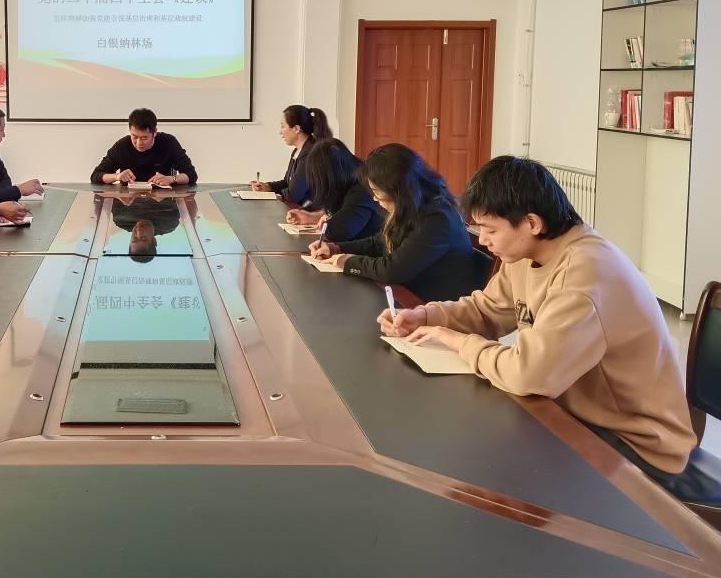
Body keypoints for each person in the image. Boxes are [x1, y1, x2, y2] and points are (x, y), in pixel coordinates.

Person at [381, 156, 704, 493]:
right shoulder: (526, 254)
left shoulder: (585, 274)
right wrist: (426, 316)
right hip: (576, 414)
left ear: (531, 223)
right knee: (474, 446)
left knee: (493, 470)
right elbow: (488, 310)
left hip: (635, 441)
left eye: (491, 229)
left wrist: (457, 341)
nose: (483, 239)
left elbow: (529, 374)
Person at [322, 142, 479, 302]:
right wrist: (337, 248)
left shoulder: (437, 219)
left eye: (376, 191)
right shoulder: (415, 205)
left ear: (397, 189)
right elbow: (379, 242)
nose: (375, 198)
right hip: (409, 294)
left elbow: (392, 270)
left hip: (430, 305)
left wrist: (347, 262)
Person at [296, 139, 382, 256]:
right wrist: (311, 217)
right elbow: (338, 214)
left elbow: (338, 231)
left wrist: (329, 222)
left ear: (331, 176)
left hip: (369, 257)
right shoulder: (350, 179)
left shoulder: (363, 188)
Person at [90, 108, 198, 186]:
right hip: (128, 205)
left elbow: (191, 175)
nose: (138, 143)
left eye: (144, 138)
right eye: (134, 137)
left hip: (164, 204)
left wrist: (172, 179)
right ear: (129, 131)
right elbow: (95, 176)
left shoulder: (169, 142)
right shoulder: (122, 146)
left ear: (154, 132)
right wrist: (116, 176)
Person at [249, 105, 331, 205]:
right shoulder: (298, 151)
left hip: (309, 211)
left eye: (283, 126)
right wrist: (267, 186)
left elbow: (293, 195)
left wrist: (272, 195)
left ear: (296, 129)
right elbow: (287, 182)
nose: (280, 132)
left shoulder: (309, 154)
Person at [111, 196, 182, 262]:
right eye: (144, 238)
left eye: (135, 239)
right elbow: (182, 196)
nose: (139, 231)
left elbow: (112, 193)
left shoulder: (121, 220)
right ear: (154, 241)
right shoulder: (169, 223)